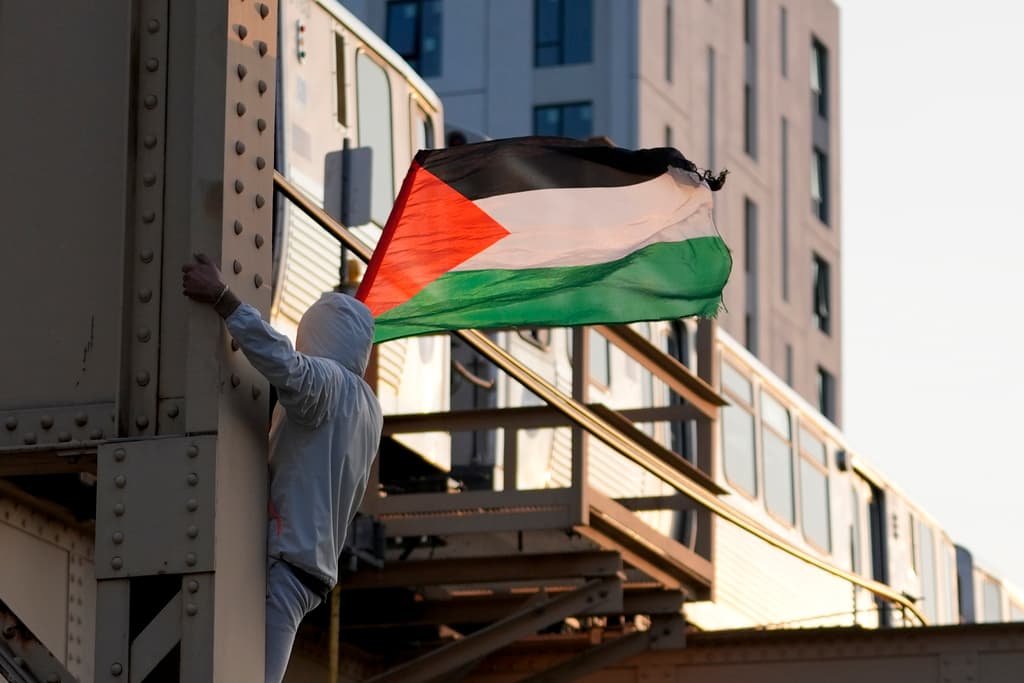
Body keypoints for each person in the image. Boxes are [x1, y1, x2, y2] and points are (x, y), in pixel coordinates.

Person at [181, 253, 383, 683]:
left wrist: (224, 299)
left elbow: (286, 365)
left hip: (285, 561)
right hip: (312, 571)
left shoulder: (328, 385)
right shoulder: (370, 407)